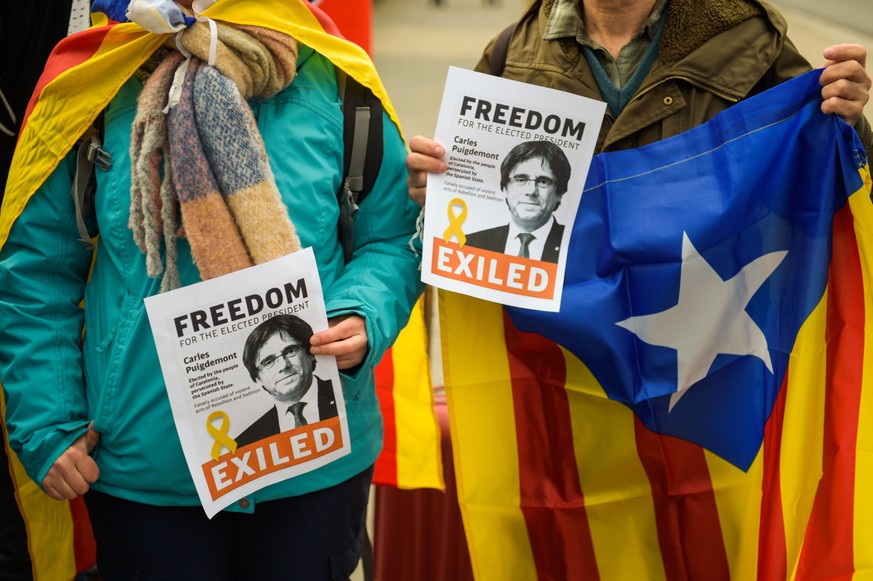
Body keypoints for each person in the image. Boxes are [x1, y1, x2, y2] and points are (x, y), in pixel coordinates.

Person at [0, 0, 422, 579]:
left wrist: (362, 314)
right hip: (145, 466)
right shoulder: (93, 85)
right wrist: (48, 423)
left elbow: (392, 238)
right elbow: (37, 271)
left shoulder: (335, 77)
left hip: (312, 462)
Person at [407, 0, 872, 206]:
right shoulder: (513, 52)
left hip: (704, 345)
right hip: (565, 355)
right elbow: (462, 201)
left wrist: (849, 121)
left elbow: (835, 178)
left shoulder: (749, 41)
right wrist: (435, 187)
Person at [236, 314, 338, 448]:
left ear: (310, 353)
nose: (283, 366)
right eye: (268, 362)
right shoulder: (245, 442)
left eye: (290, 351)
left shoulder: (344, 393)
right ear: (257, 378)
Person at [465, 140, 570, 263]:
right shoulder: (471, 243)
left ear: (560, 192)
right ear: (505, 188)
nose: (531, 191)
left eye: (543, 181)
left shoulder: (576, 246)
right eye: (521, 179)